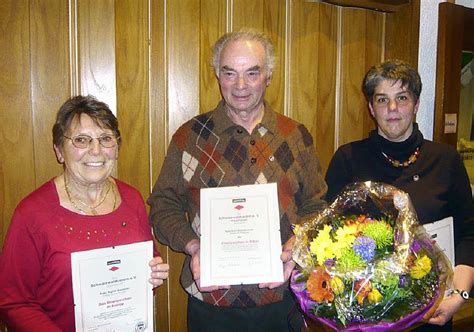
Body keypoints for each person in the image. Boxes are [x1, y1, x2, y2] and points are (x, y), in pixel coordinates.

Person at [148, 30, 327, 331]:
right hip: (211, 301)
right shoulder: (189, 137)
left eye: (252, 73)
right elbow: (162, 206)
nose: (241, 85)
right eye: (230, 73)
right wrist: (193, 246)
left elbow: (316, 204)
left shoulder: (295, 136)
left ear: (268, 76)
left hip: (284, 296)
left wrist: (298, 244)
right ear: (217, 75)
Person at [325, 60, 474, 331]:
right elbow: (328, 238)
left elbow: (468, 234)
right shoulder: (348, 159)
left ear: (416, 105)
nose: (392, 109)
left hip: (433, 311)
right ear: (371, 107)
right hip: (366, 315)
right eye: (382, 99)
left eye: (402, 98)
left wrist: (459, 296)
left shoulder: (445, 160)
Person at [0, 95, 170, 331]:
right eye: (82, 140)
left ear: (116, 147)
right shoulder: (32, 214)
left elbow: (146, 264)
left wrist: (154, 273)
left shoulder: (132, 199)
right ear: (59, 150)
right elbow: (14, 302)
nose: (96, 150)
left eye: (106, 139)